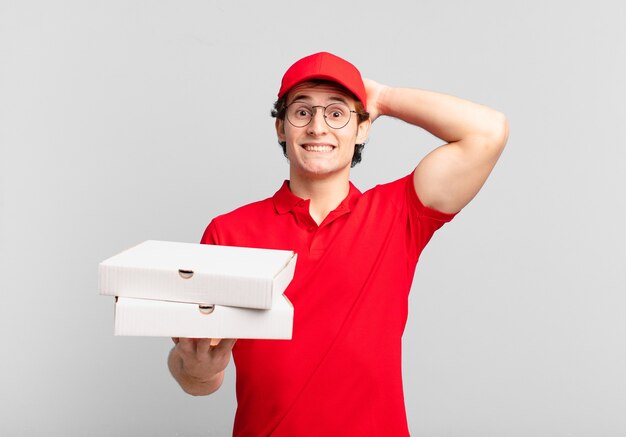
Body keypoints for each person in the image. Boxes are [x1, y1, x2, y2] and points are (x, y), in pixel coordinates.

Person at [168, 52, 508, 436]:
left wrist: (382, 98)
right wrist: (199, 372)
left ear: (362, 129)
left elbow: (489, 131)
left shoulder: (398, 214)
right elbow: (195, 371)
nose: (317, 127)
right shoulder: (227, 233)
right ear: (281, 128)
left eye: (336, 113)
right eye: (301, 112)